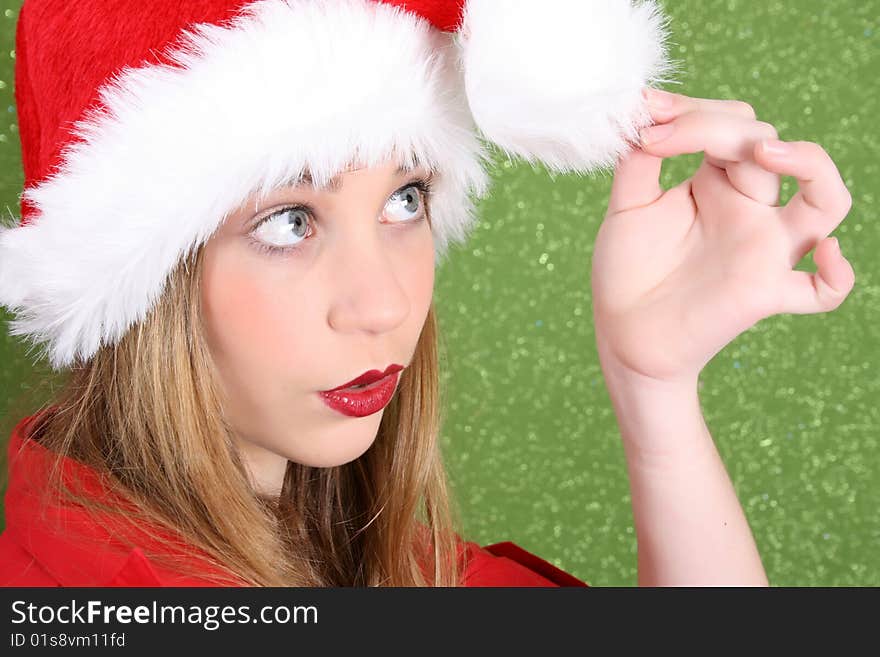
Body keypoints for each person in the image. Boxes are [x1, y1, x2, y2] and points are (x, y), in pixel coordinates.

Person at [0, 0, 854, 587]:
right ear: (139, 273)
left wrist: (655, 386)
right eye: (289, 220)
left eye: (406, 200)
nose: (382, 306)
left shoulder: (401, 570)